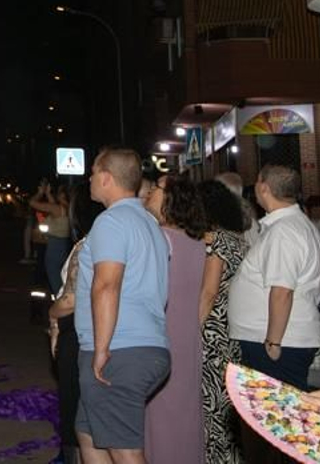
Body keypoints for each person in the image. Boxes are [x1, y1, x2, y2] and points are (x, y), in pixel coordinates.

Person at [73, 147, 169, 464]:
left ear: (106, 177)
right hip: (144, 347)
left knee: (125, 451)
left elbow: (107, 285)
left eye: (93, 172)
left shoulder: (111, 221)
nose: (88, 178)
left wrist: (102, 349)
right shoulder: (149, 223)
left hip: (119, 350)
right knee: (89, 437)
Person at [227, 163, 320, 389]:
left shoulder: (284, 231)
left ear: (264, 188)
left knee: (279, 416)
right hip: (279, 338)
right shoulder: (291, 225)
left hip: (279, 342)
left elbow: (282, 291)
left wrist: (273, 341)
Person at [140, 174, 206, 463]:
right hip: (186, 336)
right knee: (182, 407)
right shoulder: (196, 241)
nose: (150, 191)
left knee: (161, 409)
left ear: (171, 199)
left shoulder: (159, 239)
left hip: (162, 334)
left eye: (156, 188)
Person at [48, 185, 103, 464]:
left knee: (78, 422)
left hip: (80, 335)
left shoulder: (86, 246)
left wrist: (52, 314)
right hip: (99, 334)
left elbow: (70, 299)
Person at [197, 178, 249, 464]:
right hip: (233, 329)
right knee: (228, 404)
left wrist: (191, 330)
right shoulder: (237, 237)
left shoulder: (214, 240)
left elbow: (208, 292)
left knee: (212, 407)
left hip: (213, 333)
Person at [30, 180, 72, 296]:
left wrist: (40, 193)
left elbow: (32, 203)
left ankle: (62, 308)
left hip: (54, 247)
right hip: (63, 246)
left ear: (63, 195)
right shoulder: (68, 208)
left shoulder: (57, 209)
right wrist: (48, 194)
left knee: (55, 282)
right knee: (61, 278)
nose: (56, 194)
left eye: (58, 192)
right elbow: (53, 208)